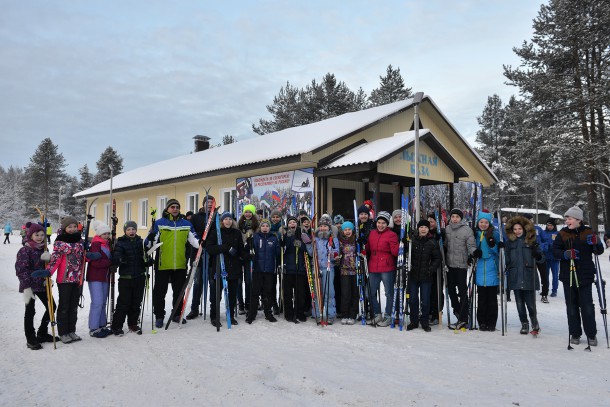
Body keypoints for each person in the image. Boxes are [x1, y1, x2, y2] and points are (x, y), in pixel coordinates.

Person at [553, 206, 605, 346]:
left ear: (579, 220)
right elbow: (555, 250)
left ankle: (591, 334)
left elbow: (598, 251)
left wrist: (597, 242)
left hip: (585, 275)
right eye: (566, 219)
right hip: (567, 275)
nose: (567, 221)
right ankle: (575, 333)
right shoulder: (562, 233)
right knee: (571, 306)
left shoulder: (588, 232)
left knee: (587, 306)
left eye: (569, 218)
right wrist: (565, 254)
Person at [146, 199, 200, 328]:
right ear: (167, 209)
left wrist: (204, 242)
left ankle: (176, 314)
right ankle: (159, 316)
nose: (175, 209)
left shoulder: (186, 224)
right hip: (162, 264)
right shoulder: (159, 223)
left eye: (177, 207)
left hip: (180, 264)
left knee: (179, 291)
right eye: (172, 207)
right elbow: (148, 245)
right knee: (160, 292)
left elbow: (195, 241)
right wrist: (151, 237)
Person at [33, 216, 85, 344]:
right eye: (69, 227)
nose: (72, 229)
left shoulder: (80, 241)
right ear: (64, 228)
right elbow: (55, 260)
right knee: (64, 306)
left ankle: (71, 330)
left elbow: (83, 259)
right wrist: (49, 271)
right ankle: (63, 332)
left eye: (74, 226)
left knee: (73, 306)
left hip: (77, 279)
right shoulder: (60, 243)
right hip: (65, 279)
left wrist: (90, 255)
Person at [15, 223, 58, 350]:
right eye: (37, 235)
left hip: (42, 284)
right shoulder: (25, 250)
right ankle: (30, 338)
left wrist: (48, 260)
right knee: (30, 311)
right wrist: (27, 285)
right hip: (29, 286)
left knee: (52, 307)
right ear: (30, 235)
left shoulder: (44, 249)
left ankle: (42, 333)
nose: (40, 237)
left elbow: (48, 267)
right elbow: (21, 270)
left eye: (42, 235)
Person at [205, 212, 247, 327]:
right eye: (225, 219)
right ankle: (214, 316)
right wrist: (225, 248)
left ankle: (231, 315)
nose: (228, 221)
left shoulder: (237, 233)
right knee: (216, 294)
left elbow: (240, 249)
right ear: (222, 221)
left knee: (232, 293)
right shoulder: (216, 233)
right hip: (219, 267)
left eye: (230, 219)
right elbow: (209, 248)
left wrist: (246, 255)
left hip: (234, 267)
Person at [505, 215, 544, 335]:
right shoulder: (510, 243)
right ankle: (524, 323)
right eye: (515, 229)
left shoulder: (532, 241)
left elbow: (542, 259)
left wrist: (537, 254)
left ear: (525, 229)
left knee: (531, 303)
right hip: (515, 276)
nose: (517, 231)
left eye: (519, 229)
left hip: (528, 276)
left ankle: (534, 321)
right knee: (519, 303)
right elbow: (506, 260)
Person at [110, 221, 150, 335]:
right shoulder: (121, 243)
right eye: (128, 230)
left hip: (139, 276)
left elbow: (145, 256)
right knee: (124, 303)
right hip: (126, 278)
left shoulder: (140, 242)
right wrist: (120, 259)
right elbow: (116, 257)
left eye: (133, 229)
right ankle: (116, 326)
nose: (131, 231)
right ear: (125, 231)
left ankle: (132, 323)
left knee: (136, 302)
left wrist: (148, 261)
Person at [365, 211, 399, 327]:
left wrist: (400, 246)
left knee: (389, 293)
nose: (380, 225)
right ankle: (377, 313)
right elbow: (368, 249)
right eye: (379, 222)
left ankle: (388, 315)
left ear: (387, 223)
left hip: (387, 266)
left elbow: (395, 252)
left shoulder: (392, 235)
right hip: (373, 266)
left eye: (383, 223)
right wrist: (363, 246)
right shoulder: (372, 233)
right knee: (370, 292)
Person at [406, 219, 441, 332]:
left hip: (426, 276)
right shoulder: (412, 240)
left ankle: (424, 321)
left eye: (425, 227)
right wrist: (404, 243)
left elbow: (437, 258)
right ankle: (414, 321)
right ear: (418, 228)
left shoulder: (432, 242)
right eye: (421, 227)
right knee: (413, 300)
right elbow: (405, 252)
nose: (423, 229)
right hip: (413, 275)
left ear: (428, 229)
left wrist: (430, 269)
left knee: (425, 301)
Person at [445, 208, 476, 330]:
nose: (455, 219)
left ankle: (464, 318)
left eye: (457, 217)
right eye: (453, 217)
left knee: (462, 291)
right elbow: (445, 245)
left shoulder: (467, 230)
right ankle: (458, 310)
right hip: (449, 265)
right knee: (451, 291)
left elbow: (471, 245)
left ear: (461, 218)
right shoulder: (447, 229)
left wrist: (474, 253)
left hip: (461, 266)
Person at [185, 196, 215, 320]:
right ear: (202, 204)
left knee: (212, 282)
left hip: (212, 254)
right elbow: (190, 233)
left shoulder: (215, 217)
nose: (209, 204)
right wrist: (198, 241)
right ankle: (194, 308)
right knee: (197, 282)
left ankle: (214, 309)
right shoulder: (195, 217)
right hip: (197, 253)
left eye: (211, 202)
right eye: (207, 202)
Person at [246, 219, 280, 324]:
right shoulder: (255, 237)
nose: (265, 227)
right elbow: (249, 250)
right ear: (260, 227)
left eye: (267, 226)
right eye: (263, 226)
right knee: (255, 292)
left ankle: (268, 313)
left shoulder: (274, 238)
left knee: (268, 292)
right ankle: (252, 314)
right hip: (257, 269)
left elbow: (278, 253)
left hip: (269, 270)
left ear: (269, 228)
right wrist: (249, 244)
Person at [473, 211, 501, 331]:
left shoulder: (494, 234)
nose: (483, 224)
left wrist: (493, 245)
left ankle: (492, 322)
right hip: (480, 269)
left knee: (492, 300)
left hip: (492, 268)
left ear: (489, 223)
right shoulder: (475, 234)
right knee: (482, 299)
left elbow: (499, 252)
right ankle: (482, 322)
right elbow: (471, 248)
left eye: (486, 222)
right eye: (481, 222)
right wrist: (474, 252)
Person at [86, 220, 113, 338]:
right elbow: (95, 262)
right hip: (95, 276)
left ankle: (101, 325)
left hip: (104, 276)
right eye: (104, 234)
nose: (107, 236)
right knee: (97, 302)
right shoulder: (96, 244)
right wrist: (110, 262)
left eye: (108, 233)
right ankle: (93, 327)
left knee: (102, 302)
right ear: (99, 234)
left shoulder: (106, 244)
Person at [282, 215, 310, 323]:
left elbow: (308, 249)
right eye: (290, 223)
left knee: (300, 294)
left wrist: (300, 243)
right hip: (288, 268)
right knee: (288, 293)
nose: (292, 224)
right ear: (287, 225)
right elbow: (284, 248)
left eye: (294, 222)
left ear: (297, 224)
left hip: (300, 269)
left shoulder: (303, 234)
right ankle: (289, 313)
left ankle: (300, 312)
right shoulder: (285, 234)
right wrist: (289, 238)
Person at [313, 217, 339, 324]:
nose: (323, 228)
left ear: (329, 227)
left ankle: (330, 314)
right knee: (317, 291)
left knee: (329, 291)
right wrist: (307, 244)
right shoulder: (315, 239)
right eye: (321, 226)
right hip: (317, 267)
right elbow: (311, 253)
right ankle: (318, 314)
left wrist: (333, 255)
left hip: (328, 268)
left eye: (325, 226)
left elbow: (336, 252)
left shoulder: (333, 239)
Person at [237, 204, 259, 315]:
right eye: (246, 212)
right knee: (238, 281)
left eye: (250, 212)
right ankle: (240, 303)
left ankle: (248, 303)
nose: (248, 214)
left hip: (250, 256)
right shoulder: (239, 225)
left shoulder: (256, 226)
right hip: (240, 256)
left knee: (249, 280)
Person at [523, 213, 550, 303]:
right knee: (528, 275)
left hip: (539, 255)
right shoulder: (521, 230)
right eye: (530, 220)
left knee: (544, 275)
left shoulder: (538, 229)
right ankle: (528, 293)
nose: (532, 221)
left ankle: (544, 294)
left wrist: (540, 247)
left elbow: (546, 240)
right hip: (528, 256)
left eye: (532, 220)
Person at [338, 221, 358, 325]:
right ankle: (345, 314)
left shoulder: (356, 240)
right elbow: (337, 253)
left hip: (356, 271)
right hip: (344, 270)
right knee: (345, 293)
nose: (347, 231)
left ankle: (352, 314)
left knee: (355, 293)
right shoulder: (340, 241)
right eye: (345, 229)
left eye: (349, 229)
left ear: (352, 230)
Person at [427, 212, 445, 325]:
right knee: (427, 290)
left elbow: (445, 248)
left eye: (432, 221)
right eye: (428, 221)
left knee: (436, 290)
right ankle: (428, 311)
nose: (430, 223)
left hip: (437, 266)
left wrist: (441, 238)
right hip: (426, 265)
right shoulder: (425, 231)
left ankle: (437, 312)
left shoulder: (441, 233)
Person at [540, 219, 560, 297]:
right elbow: (540, 242)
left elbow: (559, 244)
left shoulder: (557, 233)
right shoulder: (543, 232)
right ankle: (545, 289)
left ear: (554, 226)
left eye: (551, 225)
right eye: (548, 225)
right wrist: (544, 246)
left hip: (555, 258)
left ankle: (554, 290)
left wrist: (553, 245)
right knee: (545, 275)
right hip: (545, 257)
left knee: (555, 275)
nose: (549, 227)